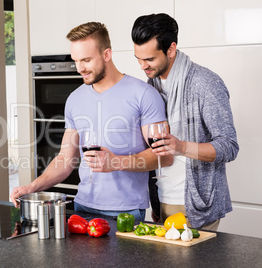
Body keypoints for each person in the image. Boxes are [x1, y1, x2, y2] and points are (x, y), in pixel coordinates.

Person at [10, 22, 172, 223]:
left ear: (107, 54)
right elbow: (64, 160)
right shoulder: (75, 99)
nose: (80, 68)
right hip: (83, 208)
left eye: (86, 60)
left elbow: (164, 157)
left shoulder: (144, 94)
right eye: (76, 60)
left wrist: (116, 162)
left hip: (126, 212)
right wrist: (31, 188)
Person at [131, 13, 239, 230]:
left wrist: (180, 147)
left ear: (171, 49)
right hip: (162, 200)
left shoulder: (205, 83)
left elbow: (229, 146)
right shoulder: (151, 85)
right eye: (139, 59)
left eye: (150, 59)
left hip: (197, 205)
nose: (143, 66)